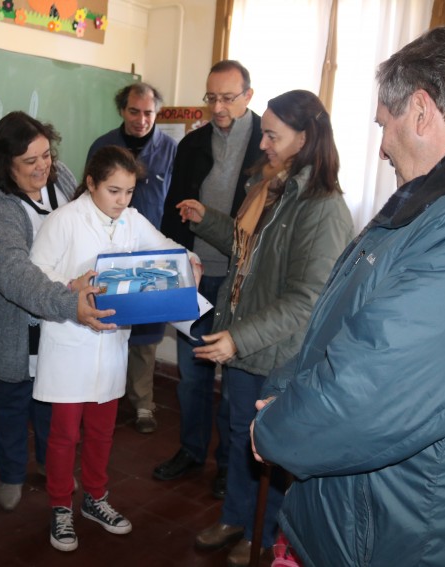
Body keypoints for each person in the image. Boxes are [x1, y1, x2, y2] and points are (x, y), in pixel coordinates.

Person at [251, 26, 445, 566]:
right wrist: (287, 387)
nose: (383, 145)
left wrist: (275, 429)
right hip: (396, 509)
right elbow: (357, 323)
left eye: (383, 126)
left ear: (420, 110)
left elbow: (373, 391)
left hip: (421, 530)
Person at [178, 90, 354, 565]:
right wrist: (209, 220)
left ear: (305, 137)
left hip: (279, 354)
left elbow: (306, 299)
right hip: (246, 345)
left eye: (273, 136)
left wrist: (238, 337)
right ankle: (236, 517)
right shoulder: (274, 189)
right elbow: (248, 253)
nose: (264, 145)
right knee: (239, 440)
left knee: (272, 452)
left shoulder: (322, 208)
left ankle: (265, 530)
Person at [30, 145, 201, 552]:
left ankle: (95, 497)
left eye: (129, 192)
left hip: (110, 343)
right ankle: (59, 506)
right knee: (64, 434)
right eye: (113, 191)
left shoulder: (131, 219)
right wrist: (72, 285)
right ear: (90, 184)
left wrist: (188, 260)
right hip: (70, 339)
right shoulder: (63, 221)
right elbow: (36, 274)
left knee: (103, 431)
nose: (122, 201)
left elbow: (165, 248)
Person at [0, 111, 115, 512]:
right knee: (13, 401)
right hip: (14, 326)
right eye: (30, 161)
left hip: (57, 320)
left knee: (55, 400)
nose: (43, 166)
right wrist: (69, 301)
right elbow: (14, 275)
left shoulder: (61, 176)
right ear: (5, 163)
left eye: (46, 154)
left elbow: (93, 219)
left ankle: (55, 471)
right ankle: (12, 473)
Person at [155, 60, 263, 498]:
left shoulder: (266, 145)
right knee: (192, 375)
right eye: (211, 98)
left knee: (234, 383)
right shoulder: (194, 143)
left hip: (241, 282)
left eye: (227, 98)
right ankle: (192, 450)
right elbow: (171, 210)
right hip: (194, 277)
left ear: (248, 97)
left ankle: (229, 465)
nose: (218, 107)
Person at [87, 82, 178, 434]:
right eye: (134, 111)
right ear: (122, 111)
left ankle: (143, 404)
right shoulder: (103, 146)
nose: (142, 119)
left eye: (149, 113)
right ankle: (102, 398)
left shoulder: (171, 150)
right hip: (108, 254)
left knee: (145, 335)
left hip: (148, 254)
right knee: (107, 326)